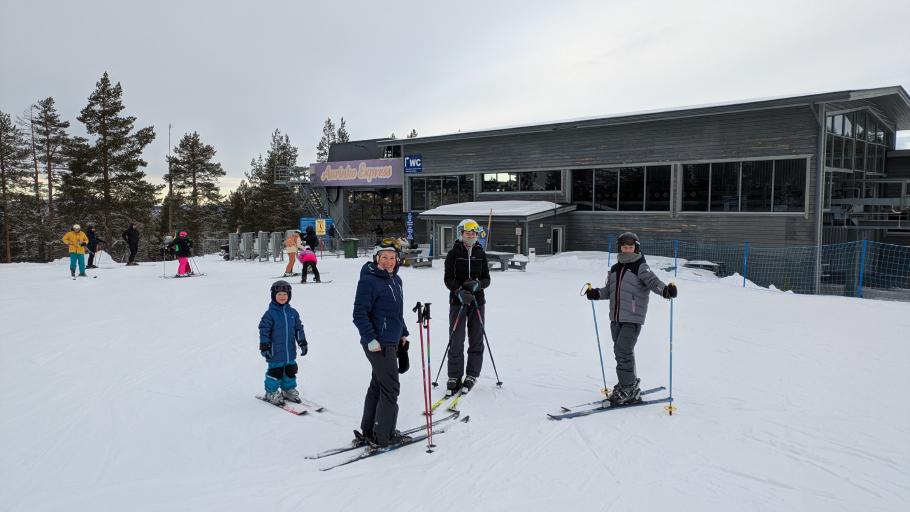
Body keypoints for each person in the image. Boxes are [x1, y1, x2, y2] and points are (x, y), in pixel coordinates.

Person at [584, 232, 678, 405]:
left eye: (631, 247)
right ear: (620, 248)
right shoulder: (615, 268)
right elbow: (609, 290)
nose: (627, 250)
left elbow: (653, 281)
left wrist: (665, 291)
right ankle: (628, 383)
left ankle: (627, 388)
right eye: (624, 247)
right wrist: (596, 293)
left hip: (633, 317)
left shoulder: (640, 266)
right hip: (616, 317)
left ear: (636, 248)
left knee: (623, 351)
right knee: (621, 352)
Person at [352, 241, 411, 450]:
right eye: (384, 258)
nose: (388, 262)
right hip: (378, 343)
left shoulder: (396, 280)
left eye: (392, 258)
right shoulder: (369, 281)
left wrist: (402, 332)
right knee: (390, 388)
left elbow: (396, 313)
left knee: (378, 384)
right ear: (376, 259)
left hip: (391, 340)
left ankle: (369, 430)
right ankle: (383, 436)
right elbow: (359, 314)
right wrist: (370, 339)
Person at [443, 218, 491, 396]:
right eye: (467, 232)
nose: (470, 235)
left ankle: (472, 374)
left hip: (477, 302)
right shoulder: (453, 253)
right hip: (458, 302)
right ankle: (454, 376)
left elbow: (487, 278)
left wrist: (478, 285)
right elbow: (448, 278)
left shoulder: (481, 253)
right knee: (456, 338)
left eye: (474, 232)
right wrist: (459, 291)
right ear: (461, 233)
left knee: (476, 337)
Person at [258, 280, 308, 405]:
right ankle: (271, 392)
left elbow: (298, 329)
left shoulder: (293, 313)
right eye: (279, 294)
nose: (282, 297)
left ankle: (287, 390)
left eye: (285, 294)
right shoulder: (270, 314)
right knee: (275, 372)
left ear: (289, 296)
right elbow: (264, 330)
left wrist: (302, 342)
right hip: (274, 352)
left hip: (289, 351)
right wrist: (265, 345)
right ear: (274, 296)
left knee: (290, 370)